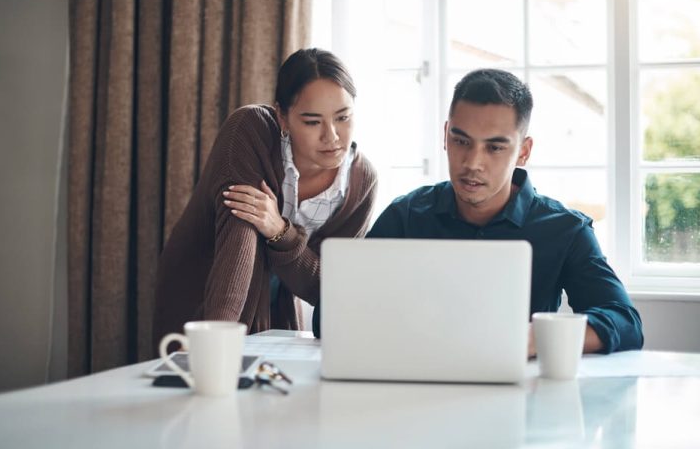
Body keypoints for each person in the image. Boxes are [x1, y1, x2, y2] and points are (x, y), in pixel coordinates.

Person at [318, 68, 642, 354]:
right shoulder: (406, 216)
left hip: (524, 403)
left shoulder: (564, 229)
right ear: (445, 136)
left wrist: (531, 339)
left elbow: (625, 323)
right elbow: (328, 315)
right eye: (461, 141)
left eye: (495, 147)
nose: (473, 163)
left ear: (523, 152)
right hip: (417, 396)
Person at [153, 48, 378, 346]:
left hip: (274, 310)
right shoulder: (251, 131)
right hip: (204, 298)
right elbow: (238, 242)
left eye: (343, 117)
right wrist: (213, 345)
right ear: (282, 117)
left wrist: (280, 232)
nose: (332, 136)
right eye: (312, 122)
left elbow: (328, 288)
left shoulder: (361, 183)